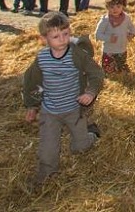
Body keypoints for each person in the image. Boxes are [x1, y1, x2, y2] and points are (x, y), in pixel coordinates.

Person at [22, 12, 104, 189]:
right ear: (44, 39)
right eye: (56, 36)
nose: (62, 39)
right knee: (47, 151)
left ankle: (91, 135)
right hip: (49, 112)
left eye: (66, 34)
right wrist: (32, 106)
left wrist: (90, 92)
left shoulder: (76, 55)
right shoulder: (42, 59)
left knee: (79, 147)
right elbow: (31, 81)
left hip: (74, 110)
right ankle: (45, 177)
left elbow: (96, 73)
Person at [94, 0, 135, 74]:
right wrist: (109, 38)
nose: (115, 9)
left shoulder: (126, 18)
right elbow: (97, 34)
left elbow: (133, 29)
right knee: (110, 72)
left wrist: (132, 34)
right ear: (107, 7)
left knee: (120, 71)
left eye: (118, 6)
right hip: (109, 52)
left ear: (123, 6)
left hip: (122, 50)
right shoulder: (105, 20)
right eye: (112, 7)